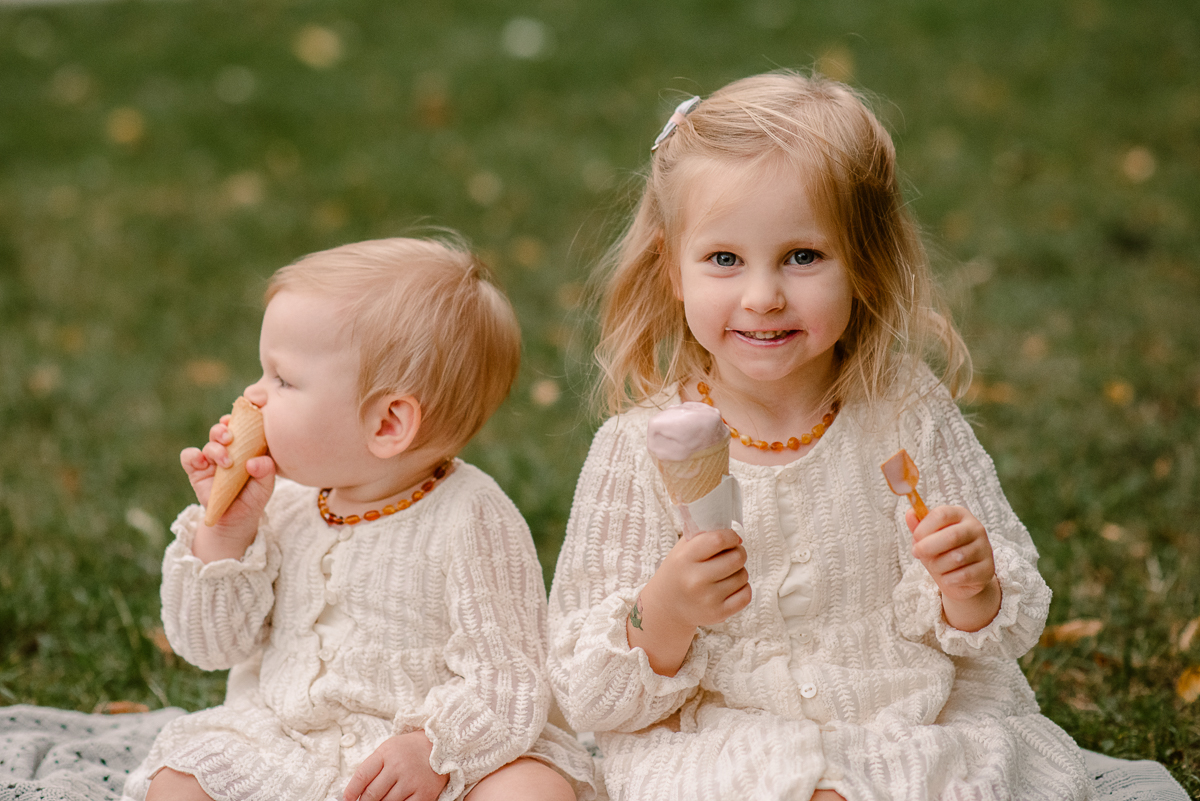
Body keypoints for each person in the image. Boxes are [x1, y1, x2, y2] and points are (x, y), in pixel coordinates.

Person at [547, 72, 1094, 801]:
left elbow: (1004, 618)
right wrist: (669, 607)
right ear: (671, 272)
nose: (764, 294)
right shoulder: (636, 447)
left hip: (909, 714)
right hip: (724, 736)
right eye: (724, 259)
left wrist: (972, 584)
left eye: (803, 256)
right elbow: (587, 685)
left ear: (862, 266)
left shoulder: (904, 410)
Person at [124, 237, 596, 801]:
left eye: (282, 379)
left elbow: (511, 683)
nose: (253, 394)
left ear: (388, 423)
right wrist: (225, 531)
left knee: (531, 790)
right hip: (289, 742)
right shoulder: (280, 503)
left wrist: (435, 748)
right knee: (178, 781)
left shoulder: (472, 519)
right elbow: (210, 647)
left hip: (433, 764)